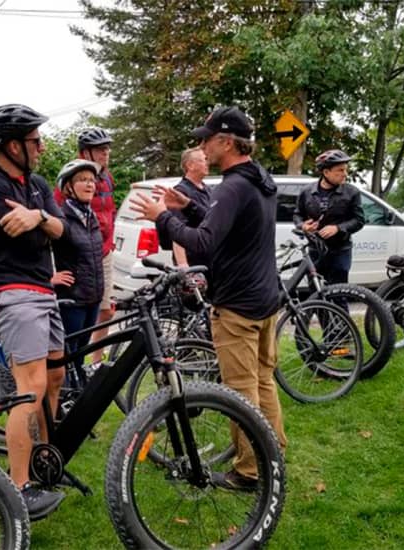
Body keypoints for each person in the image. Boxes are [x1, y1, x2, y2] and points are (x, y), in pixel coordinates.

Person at [130, 105, 287, 491]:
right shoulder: (258, 179)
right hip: (266, 300)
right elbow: (231, 221)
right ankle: (273, 454)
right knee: (264, 382)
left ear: (226, 141)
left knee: (240, 391)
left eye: (206, 139)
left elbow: (204, 241)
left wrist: (162, 217)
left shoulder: (233, 185)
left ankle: (250, 471)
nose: (202, 147)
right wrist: (191, 206)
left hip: (237, 306)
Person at [0, 103, 65, 521]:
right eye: (35, 141)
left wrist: (38, 214)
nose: (41, 147)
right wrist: (35, 219)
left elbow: (61, 229)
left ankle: (44, 460)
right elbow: (15, 226)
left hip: (43, 287)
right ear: (12, 145)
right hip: (11, 289)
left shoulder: (37, 184)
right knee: (30, 387)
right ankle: (18, 488)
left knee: (56, 376)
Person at [54, 127, 116, 362]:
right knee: (74, 329)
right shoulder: (69, 182)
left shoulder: (107, 178)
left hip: (102, 251)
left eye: (107, 148)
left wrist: (106, 244)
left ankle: (96, 362)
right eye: (100, 149)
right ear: (84, 153)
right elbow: (56, 224)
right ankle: (73, 370)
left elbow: (109, 211)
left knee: (106, 310)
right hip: (80, 257)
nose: (105, 153)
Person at [52, 159, 104, 376]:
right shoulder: (60, 217)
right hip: (72, 299)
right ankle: (65, 397)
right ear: (68, 187)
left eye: (92, 180)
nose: (90, 185)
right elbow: (37, 250)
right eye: (82, 180)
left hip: (93, 297)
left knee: (82, 352)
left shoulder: (91, 216)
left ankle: (77, 397)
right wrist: (49, 277)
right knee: (68, 354)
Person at [294, 149, 365, 286]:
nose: (345, 174)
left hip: (340, 251)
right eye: (340, 170)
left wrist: (338, 228)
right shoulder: (306, 192)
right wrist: (303, 226)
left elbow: (359, 220)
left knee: (339, 294)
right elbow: (297, 215)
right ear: (326, 172)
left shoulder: (352, 192)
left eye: (345, 170)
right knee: (315, 295)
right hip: (315, 251)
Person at [171, 147, 211, 267]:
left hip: (209, 261)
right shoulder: (180, 192)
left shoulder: (208, 190)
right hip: (193, 263)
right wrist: (183, 265)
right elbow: (176, 230)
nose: (207, 163)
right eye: (203, 160)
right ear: (190, 165)